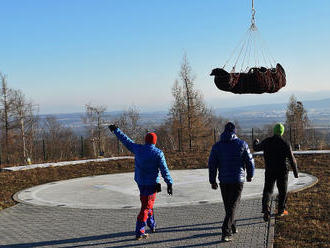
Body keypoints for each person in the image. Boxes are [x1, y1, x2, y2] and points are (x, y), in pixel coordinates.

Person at [108, 125, 173, 240]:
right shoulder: (158, 153)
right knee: (146, 207)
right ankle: (140, 231)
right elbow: (164, 169)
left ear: (145, 140)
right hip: (152, 184)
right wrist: (169, 183)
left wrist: (116, 130)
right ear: (155, 141)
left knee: (147, 204)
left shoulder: (138, 149)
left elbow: (126, 140)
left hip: (140, 182)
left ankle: (152, 225)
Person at [208, 122, 255, 242]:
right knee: (233, 205)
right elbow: (250, 161)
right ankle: (226, 231)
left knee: (228, 205)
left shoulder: (217, 146)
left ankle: (232, 226)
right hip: (237, 180)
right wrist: (250, 175)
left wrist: (212, 181)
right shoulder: (242, 144)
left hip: (224, 180)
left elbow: (212, 165)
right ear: (234, 131)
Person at [253, 123, 298, 222]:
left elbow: (256, 148)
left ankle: (266, 208)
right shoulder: (285, 143)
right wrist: (295, 172)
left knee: (268, 190)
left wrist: (255, 142)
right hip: (282, 171)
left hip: (270, 170)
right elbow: (292, 159)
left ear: (274, 131)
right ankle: (281, 210)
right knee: (282, 191)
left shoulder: (267, 141)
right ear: (282, 131)